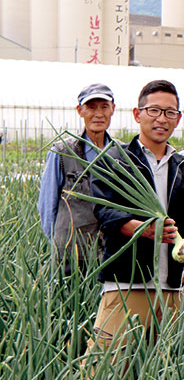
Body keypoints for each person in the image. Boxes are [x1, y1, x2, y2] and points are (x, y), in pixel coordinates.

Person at [86, 80, 184, 360]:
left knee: (168, 370)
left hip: (174, 286)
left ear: (178, 119)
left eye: (170, 112)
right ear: (137, 114)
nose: (162, 119)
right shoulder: (114, 161)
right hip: (128, 283)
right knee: (107, 369)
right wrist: (143, 230)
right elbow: (106, 212)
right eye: (154, 111)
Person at [38, 83, 116, 276]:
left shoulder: (121, 155)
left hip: (111, 255)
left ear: (113, 110)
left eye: (104, 107)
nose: (98, 114)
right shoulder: (62, 152)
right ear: (80, 111)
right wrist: (59, 244)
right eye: (91, 107)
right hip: (70, 257)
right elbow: (47, 207)